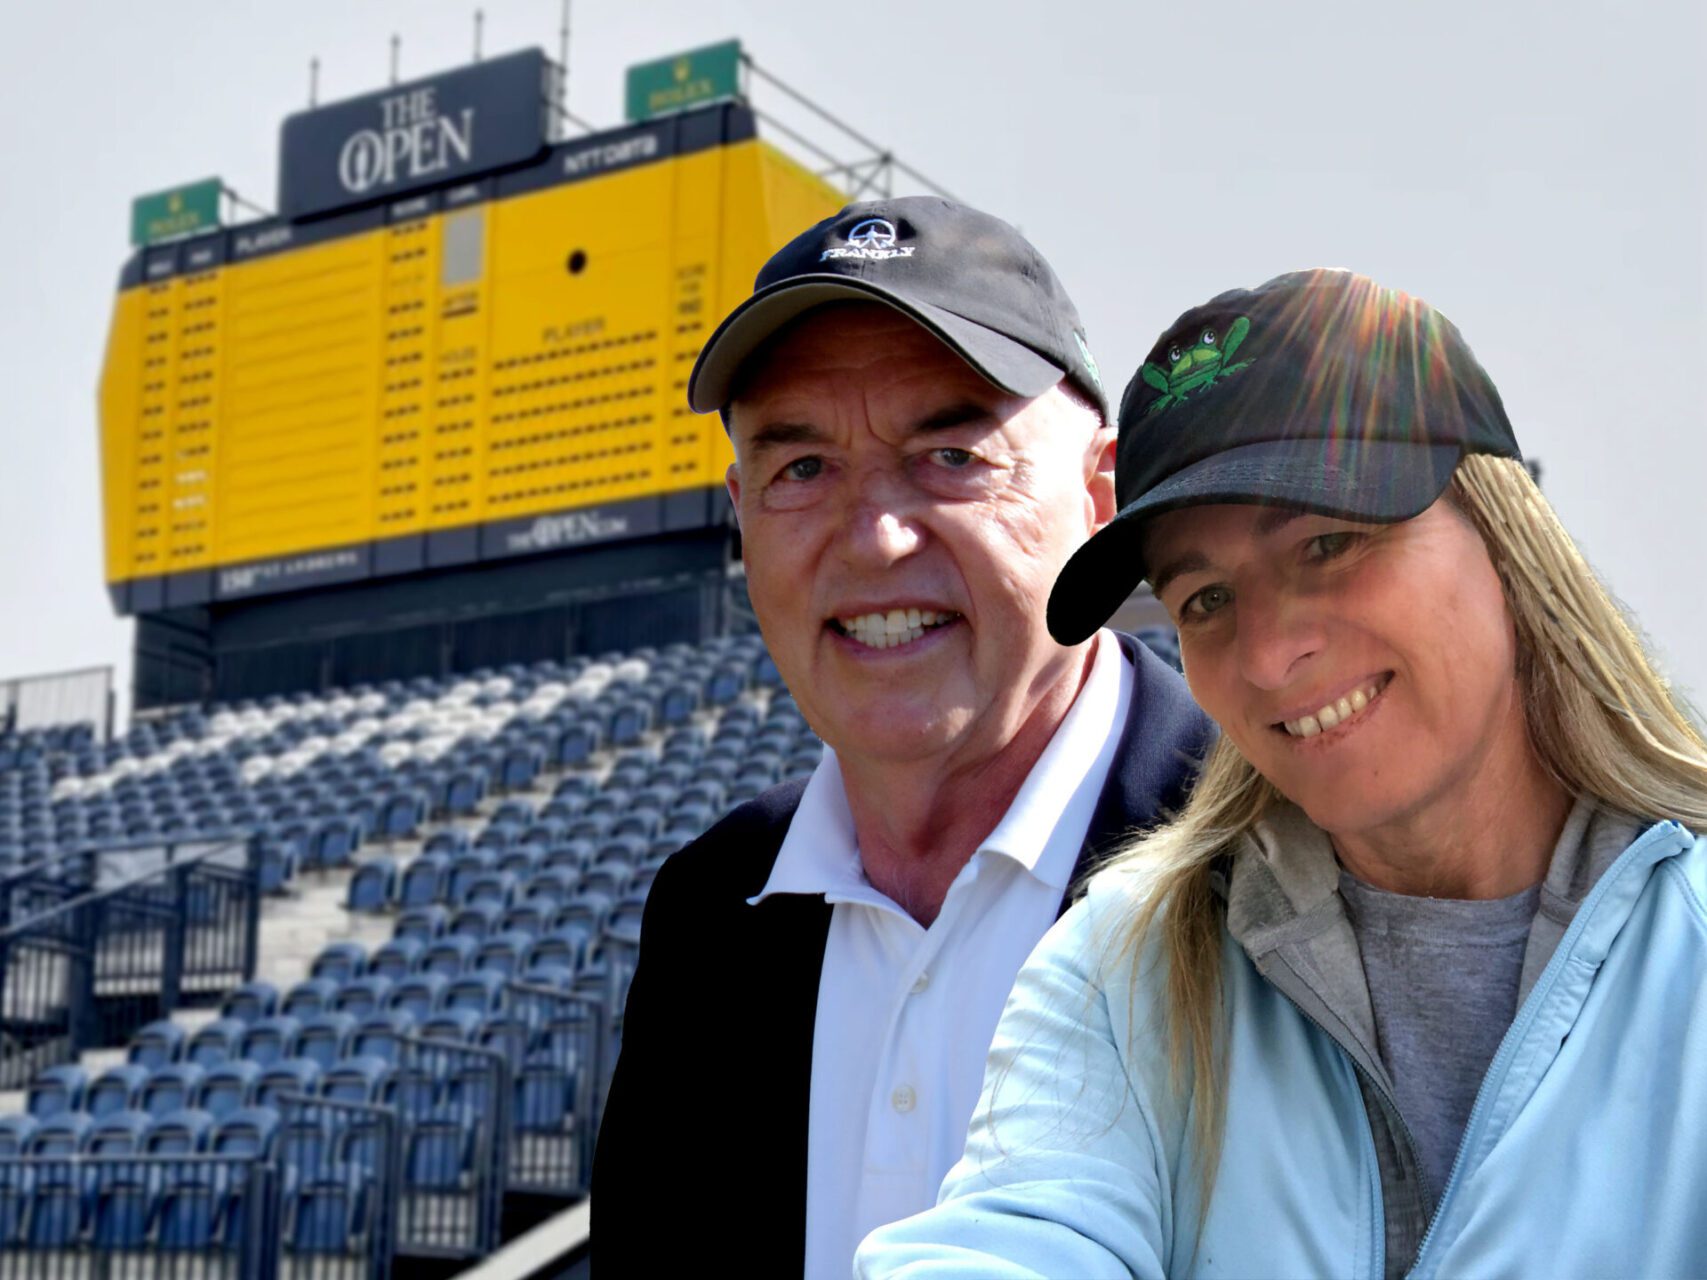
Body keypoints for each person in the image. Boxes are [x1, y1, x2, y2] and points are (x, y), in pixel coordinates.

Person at [858, 268, 1707, 1279]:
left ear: (1504, 534)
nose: (1265, 655)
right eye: (1206, 599)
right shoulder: (1126, 960)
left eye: (1327, 542)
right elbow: (1009, 1245)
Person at [590, 197, 1214, 1277]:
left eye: (954, 455)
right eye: (801, 469)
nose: (874, 538)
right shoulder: (707, 907)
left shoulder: (1280, 852)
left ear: (1101, 494)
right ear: (741, 514)